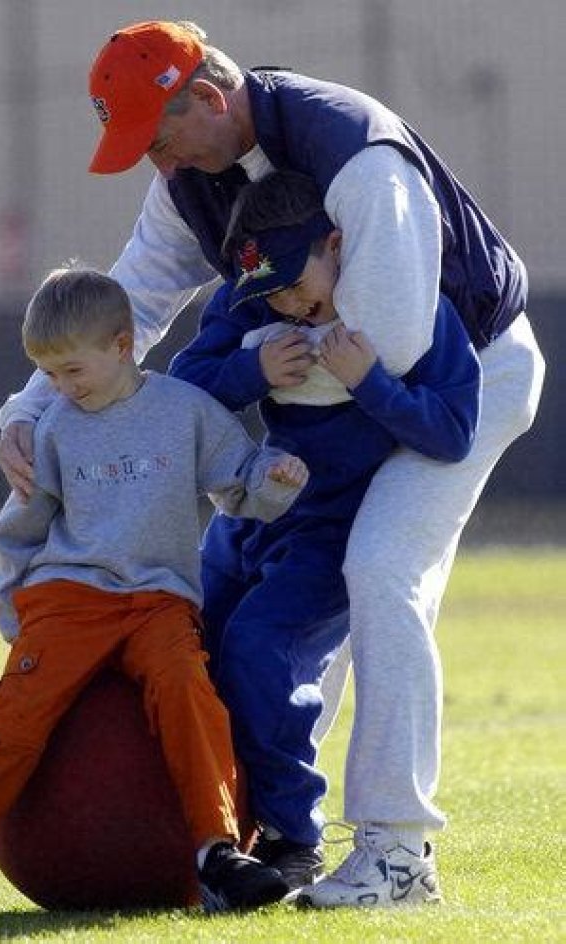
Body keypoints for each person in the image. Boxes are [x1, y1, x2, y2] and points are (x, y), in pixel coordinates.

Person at [0, 20, 545, 907]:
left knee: (379, 570)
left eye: (160, 140)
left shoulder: (356, 149)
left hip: (465, 378)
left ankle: (400, 852)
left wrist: (243, 365)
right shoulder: (192, 184)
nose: (157, 166)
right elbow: (128, 305)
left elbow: (391, 347)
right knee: (266, 613)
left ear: (210, 100)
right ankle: (270, 832)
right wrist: (30, 410)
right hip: (323, 417)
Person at [0, 266, 315, 923]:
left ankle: (217, 856)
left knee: (189, 691)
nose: (58, 388)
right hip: (67, 598)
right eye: (47, 374)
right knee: (8, 726)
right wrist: (18, 613)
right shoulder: (52, 427)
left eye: (71, 371)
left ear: (123, 345)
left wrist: (276, 477)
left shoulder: (185, 411)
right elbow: (19, 532)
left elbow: (241, 485)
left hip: (161, 601)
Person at [168, 169, 481, 896]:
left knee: (260, 648)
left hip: (331, 532)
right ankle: (215, 831)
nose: (286, 303)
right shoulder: (253, 306)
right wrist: (251, 369)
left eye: (293, 281)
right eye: (267, 291)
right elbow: (182, 392)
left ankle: (293, 837)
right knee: (192, 644)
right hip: (250, 514)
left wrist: (372, 382)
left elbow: (453, 433)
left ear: (335, 243)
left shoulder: (407, 309)